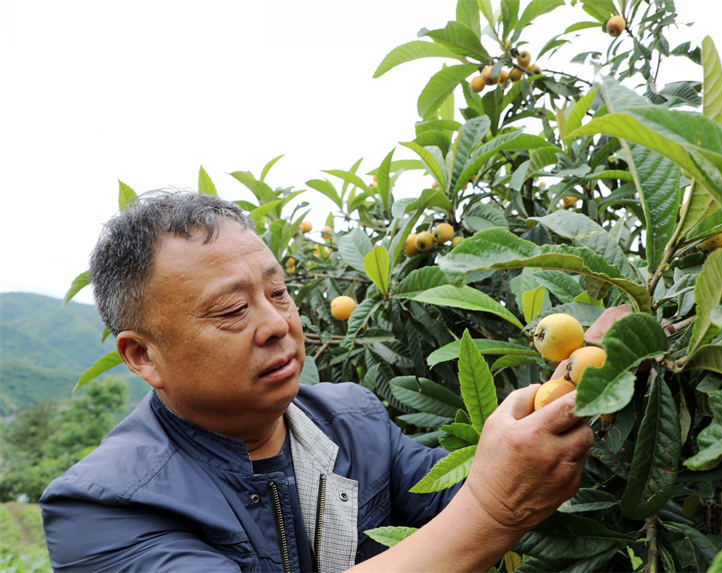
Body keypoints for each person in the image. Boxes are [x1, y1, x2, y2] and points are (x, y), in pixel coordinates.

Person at [40, 190, 596, 572]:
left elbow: (477, 487)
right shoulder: (102, 507)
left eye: (278, 292)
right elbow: (488, 500)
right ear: (143, 356)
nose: (277, 324)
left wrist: (586, 376)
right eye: (232, 310)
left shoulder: (353, 420)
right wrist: (493, 511)